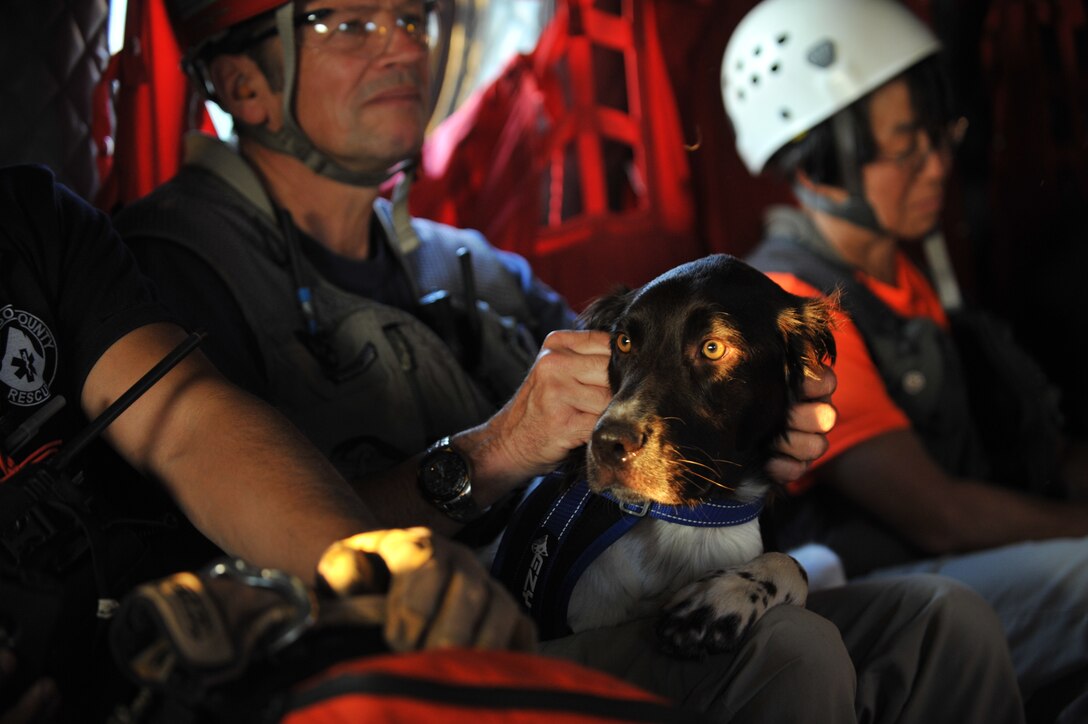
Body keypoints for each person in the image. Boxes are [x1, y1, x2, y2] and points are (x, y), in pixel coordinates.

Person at [113, 1, 1027, 722]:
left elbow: (662, 390)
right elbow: (225, 544)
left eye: (412, 18)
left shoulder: (473, 265)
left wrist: (752, 429)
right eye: (349, 23)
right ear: (241, 82)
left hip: (615, 595)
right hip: (420, 645)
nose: (402, 47)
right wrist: (499, 445)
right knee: (789, 653)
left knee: (945, 625)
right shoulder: (176, 269)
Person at [0, 162, 533, 722]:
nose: (402, 67)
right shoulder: (190, 248)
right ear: (244, 89)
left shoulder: (30, 220)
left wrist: (359, 565)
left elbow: (185, 424)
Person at [723, 0, 1088, 719]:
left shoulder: (899, 276)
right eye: (905, 147)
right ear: (817, 159)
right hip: (881, 597)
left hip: (959, 570)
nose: (939, 165)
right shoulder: (797, 304)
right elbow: (939, 514)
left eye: (939, 136)